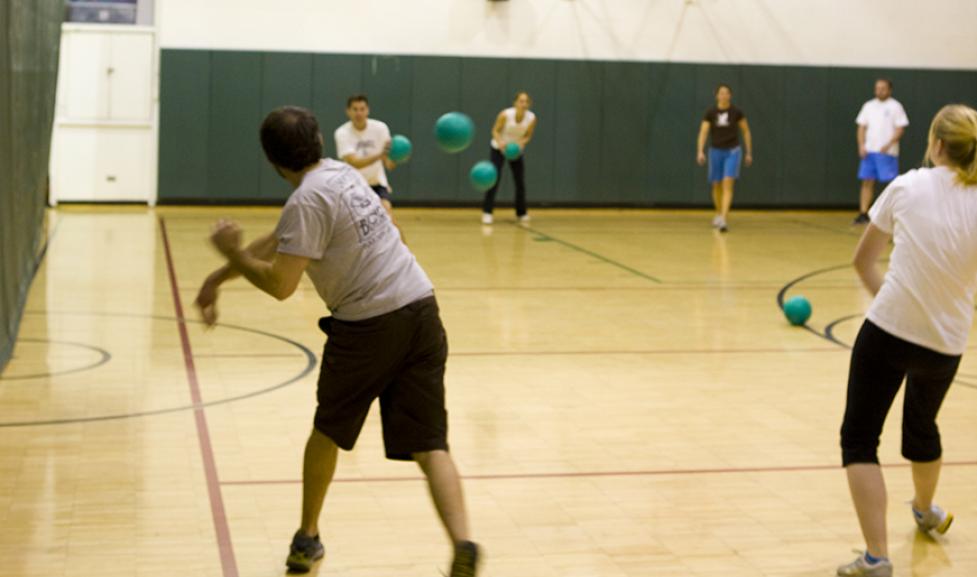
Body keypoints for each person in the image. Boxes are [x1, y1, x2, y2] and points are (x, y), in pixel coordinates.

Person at [194, 106, 480, 576]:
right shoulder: (341, 174)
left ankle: (307, 539)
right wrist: (222, 274)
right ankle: (463, 541)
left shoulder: (306, 200)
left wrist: (230, 254)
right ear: (321, 140)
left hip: (369, 326)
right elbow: (283, 237)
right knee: (431, 444)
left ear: (272, 161)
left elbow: (281, 284)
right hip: (422, 308)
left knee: (327, 433)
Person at [837, 104, 977, 577]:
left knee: (859, 439)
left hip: (888, 332)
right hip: (947, 343)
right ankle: (924, 508)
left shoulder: (907, 185)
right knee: (922, 429)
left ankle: (877, 557)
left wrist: (893, 303)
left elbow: (863, 261)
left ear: (936, 144)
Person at [696, 84, 752, 233]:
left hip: (733, 151)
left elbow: (746, 131)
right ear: (716, 96)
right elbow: (703, 132)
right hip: (715, 151)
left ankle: (724, 220)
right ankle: (719, 213)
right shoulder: (710, 112)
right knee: (716, 185)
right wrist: (700, 151)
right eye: (721, 93)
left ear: (730, 96)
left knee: (728, 183)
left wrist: (748, 152)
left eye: (727, 93)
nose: (724, 95)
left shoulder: (737, 112)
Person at [853, 79, 909, 225]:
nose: (879, 91)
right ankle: (863, 213)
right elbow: (861, 127)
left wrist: (889, 144)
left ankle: (891, 215)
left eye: (883, 88)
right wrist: (861, 145)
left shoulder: (895, 106)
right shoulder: (868, 106)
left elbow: (900, 128)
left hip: (887, 152)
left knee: (890, 184)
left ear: (889, 90)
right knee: (867, 181)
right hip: (869, 151)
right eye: (877, 88)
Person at [334, 94, 399, 218]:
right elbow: (354, 162)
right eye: (355, 109)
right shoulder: (342, 133)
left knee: (387, 217)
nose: (359, 113)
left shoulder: (380, 128)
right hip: (352, 185)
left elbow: (388, 163)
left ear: (368, 110)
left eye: (362, 109)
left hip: (376, 184)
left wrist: (396, 157)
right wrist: (379, 156)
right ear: (348, 111)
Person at [481, 91, 537, 225]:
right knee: (494, 179)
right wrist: (500, 142)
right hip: (499, 148)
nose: (523, 104)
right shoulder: (505, 115)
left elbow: (528, 135)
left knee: (520, 181)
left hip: (515, 150)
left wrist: (521, 143)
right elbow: (495, 130)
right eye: (521, 101)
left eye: (526, 102)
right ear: (515, 103)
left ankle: (521, 213)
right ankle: (487, 212)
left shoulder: (532, 118)